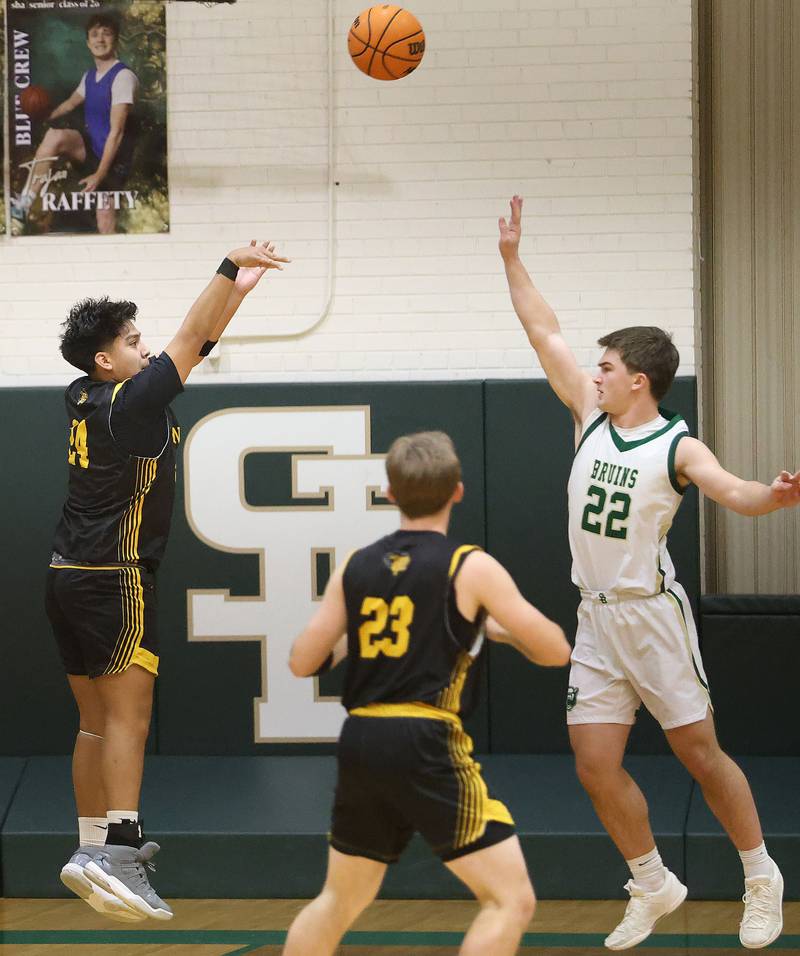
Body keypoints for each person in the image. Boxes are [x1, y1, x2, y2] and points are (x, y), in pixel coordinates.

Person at [498, 195, 800, 950]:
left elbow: (735, 494)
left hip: (651, 615)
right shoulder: (588, 415)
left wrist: (776, 495)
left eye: (606, 367)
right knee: (594, 764)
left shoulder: (677, 447)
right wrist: (510, 258)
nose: (592, 373)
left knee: (700, 754)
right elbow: (543, 329)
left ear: (640, 379)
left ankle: (761, 876)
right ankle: (653, 882)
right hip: (595, 618)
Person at [46, 240, 290, 921]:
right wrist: (225, 268)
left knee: (94, 722)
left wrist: (234, 298)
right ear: (106, 359)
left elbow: (196, 343)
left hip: (65, 576)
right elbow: (189, 337)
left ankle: (89, 847)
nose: (146, 348)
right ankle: (122, 849)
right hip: (115, 579)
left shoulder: (84, 396)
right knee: (131, 717)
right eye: (132, 341)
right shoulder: (131, 404)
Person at [284, 431, 572, 956]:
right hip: (426, 737)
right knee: (510, 900)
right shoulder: (470, 565)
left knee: (337, 899)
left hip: (362, 738)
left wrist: (360, 639)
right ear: (457, 491)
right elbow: (555, 649)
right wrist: (493, 623)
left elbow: (303, 661)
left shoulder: (356, 564)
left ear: (390, 493)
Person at [12, 13, 137, 235]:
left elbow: (116, 133)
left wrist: (100, 175)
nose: (100, 40)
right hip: (92, 149)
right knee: (55, 136)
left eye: (106, 34)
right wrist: (45, 116)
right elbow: (70, 103)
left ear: (116, 40)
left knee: (104, 222)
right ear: (88, 43)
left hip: (114, 159)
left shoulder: (122, 77)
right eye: (94, 35)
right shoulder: (91, 75)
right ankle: (23, 204)